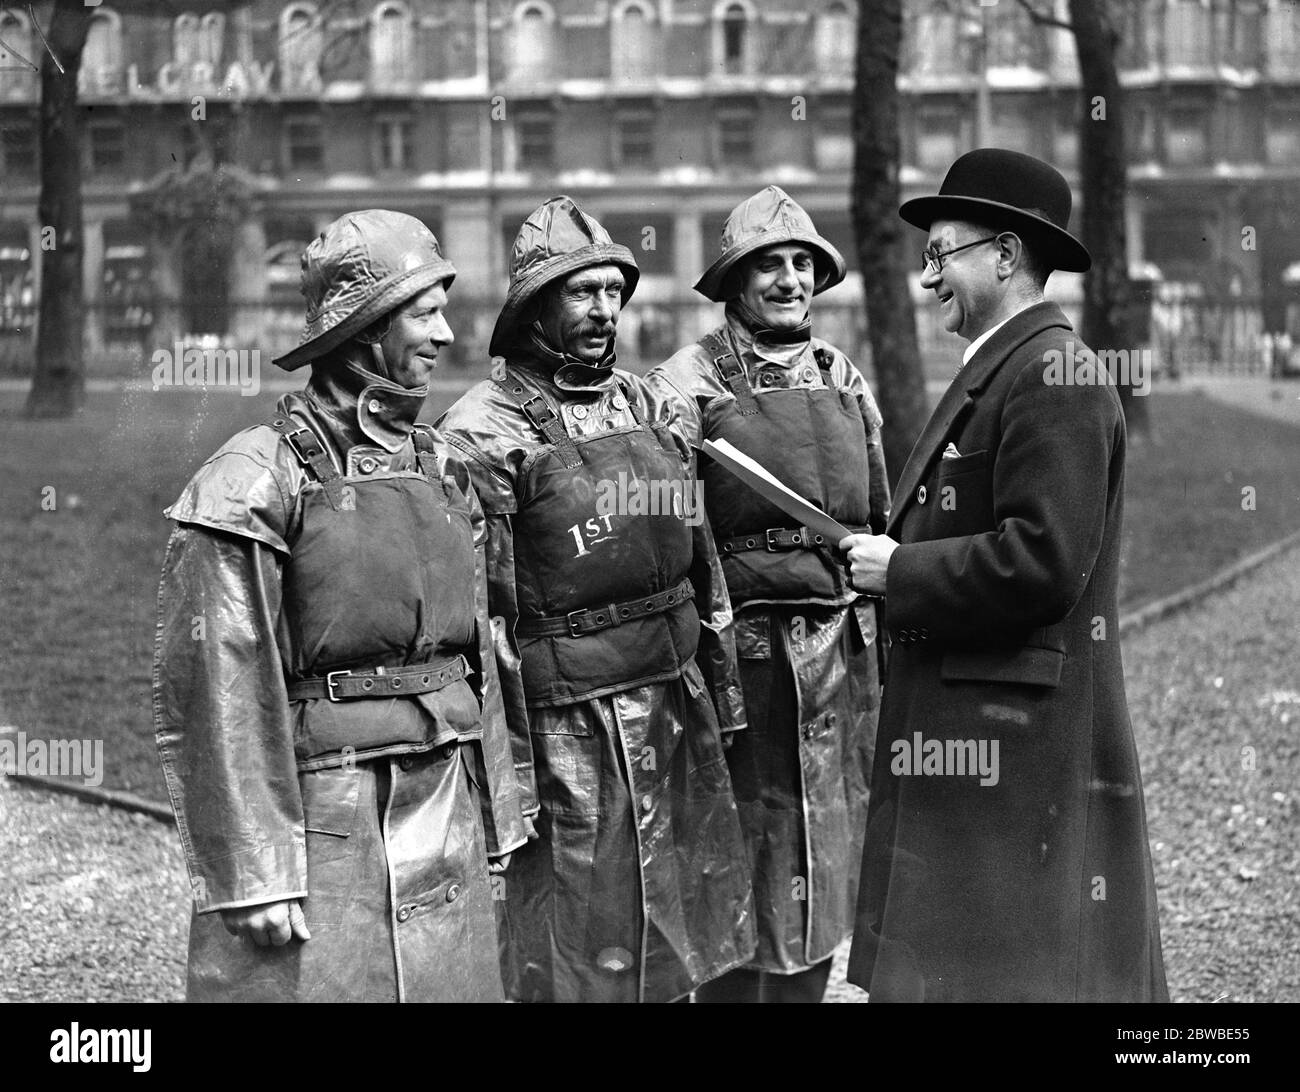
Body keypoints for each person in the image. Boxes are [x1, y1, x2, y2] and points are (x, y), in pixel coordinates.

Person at [153, 210, 529, 1002]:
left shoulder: (446, 468)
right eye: (426, 313)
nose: (448, 335)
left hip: (448, 801)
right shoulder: (254, 479)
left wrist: (499, 811)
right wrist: (255, 869)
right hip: (326, 815)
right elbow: (220, 682)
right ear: (366, 328)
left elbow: (483, 653)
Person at [840, 149, 1168, 1002]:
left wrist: (901, 570)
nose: (926, 277)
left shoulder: (1051, 375)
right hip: (986, 749)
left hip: (1016, 759)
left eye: (941, 254)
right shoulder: (1009, 365)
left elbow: (1044, 562)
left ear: (1007, 255)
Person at [438, 195, 755, 1003]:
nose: (604, 309)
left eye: (614, 291)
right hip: (567, 724)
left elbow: (701, 565)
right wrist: (504, 776)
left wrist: (723, 697)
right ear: (536, 306)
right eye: (583, 292)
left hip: (673, 703)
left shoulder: (652, 406)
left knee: (677, 926)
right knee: (577, 942)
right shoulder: (482, 433)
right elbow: (484, 620)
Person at [646, 186, 890, 1003]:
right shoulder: (683, 384)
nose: (789, 281)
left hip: (838, 655)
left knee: (826, 844)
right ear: (733, 282)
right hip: (741, 659)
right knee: (744, 846)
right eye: (768, 266)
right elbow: (670, 540)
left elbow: (877, 515)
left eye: (800, 265)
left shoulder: (841, 373)